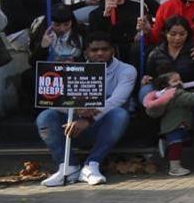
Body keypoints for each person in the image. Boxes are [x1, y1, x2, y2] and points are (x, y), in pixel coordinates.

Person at [38, 32, 136, 187]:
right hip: (73, 126)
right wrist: (77, 110)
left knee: (120, 114)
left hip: (104, 127)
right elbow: (51, 100)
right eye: (94, 50)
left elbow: (117, 100)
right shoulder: (72, 68)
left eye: (105, 49)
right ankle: (67, 167)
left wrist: (88, 119)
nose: (100, 53)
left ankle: (92, 165)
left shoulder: (126, 70)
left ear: (113, 51)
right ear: (86, 53)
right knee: (45, 117)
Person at [144, 16, 194, 168]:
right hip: (166, 96)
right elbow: (150, 75)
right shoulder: (155, 53)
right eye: (173, 34)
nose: (177, 38)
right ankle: (157, 140)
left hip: (192, 93)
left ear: (188, 34)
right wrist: (147, 79)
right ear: (165, 33)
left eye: (182, 34)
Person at [143, 72, 194, 177]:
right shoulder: (176, 94)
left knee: (178, 142)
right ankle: (174, 168)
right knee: (176, 145)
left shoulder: (163, 95)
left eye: (180, 79)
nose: (179, 82)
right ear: (166, 85)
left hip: (175, 125)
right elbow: (190, 98)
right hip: (175, 126)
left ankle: (165, 144)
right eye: (175, 81)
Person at [89, 0, 159, 65]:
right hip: (116, 53)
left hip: (142, 48)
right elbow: (96, 39)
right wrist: (105, 16)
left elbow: (162, 16)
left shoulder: (141, 0)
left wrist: (149, 29)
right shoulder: (97, 13)